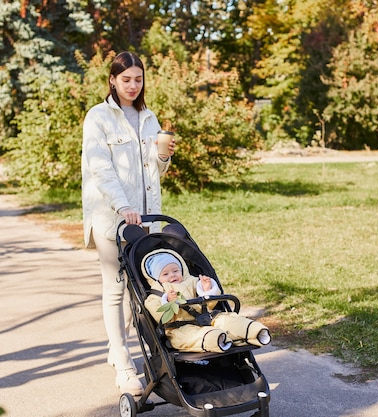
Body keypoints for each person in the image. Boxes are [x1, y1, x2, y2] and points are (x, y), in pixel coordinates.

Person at [81, 51, 175, 396]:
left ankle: (129, 349)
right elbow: (99, 167)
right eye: (126, 79)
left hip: (145, 219)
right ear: (112, 80)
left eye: (138, 79)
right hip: (110, 217)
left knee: (144, 287)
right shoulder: (99, 117)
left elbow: (155, 172)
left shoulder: (149, 118)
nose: (133, 85)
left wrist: (163, 156)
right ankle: (122, 362)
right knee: (115, 288)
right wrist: (123, 206)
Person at [142, 249, 271, 353]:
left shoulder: (192, 281)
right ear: (156, 278)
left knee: (228, 319)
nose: (172, 275)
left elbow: (210, 303)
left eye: (175, 271)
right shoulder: (156, 294)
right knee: (193, 336)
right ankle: (218, 339)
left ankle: (255, 332)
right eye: (165, 274)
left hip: (207, 317)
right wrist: (167, 301)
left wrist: (206, 288)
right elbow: (159, 315)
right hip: (181, 327)